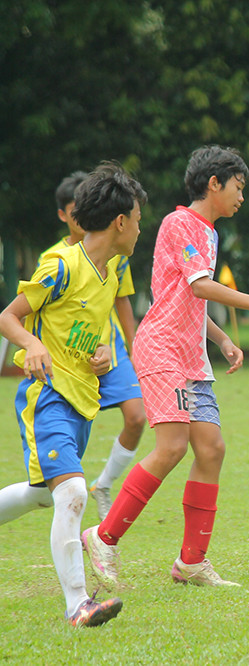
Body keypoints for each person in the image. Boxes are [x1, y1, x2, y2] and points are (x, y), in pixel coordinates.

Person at [82, 145, 249, 588]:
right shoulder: (180, 222)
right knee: (172, 447)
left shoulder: (209, 232)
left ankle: (191, 562)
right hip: (163, 349)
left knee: (212, 449)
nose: (242, 197)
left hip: (192, 357)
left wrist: (222, 341)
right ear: (214, 183)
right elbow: (200, 286)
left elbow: (187, 297)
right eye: (238, 188)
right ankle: (103, 537)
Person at [0, 163, 145, 626]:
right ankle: (78, 604)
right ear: (120, 222)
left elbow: (90, 330)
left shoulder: (109, 272)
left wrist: (103, 354)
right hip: (48, 397)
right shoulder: (61, 265)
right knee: (75, 492)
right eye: (138, 219)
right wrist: (33, 344)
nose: (141, 228)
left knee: (46, 495)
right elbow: (9, 317)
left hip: (82, 399)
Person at [46, 171, 148, 520]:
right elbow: (23, 316)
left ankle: (102, 483)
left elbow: (119, 301)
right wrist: (32, 347)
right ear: (64, 214)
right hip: (66, 362)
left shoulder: (116, 257)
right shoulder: (58, 262)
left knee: (137, 417)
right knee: (49, 490)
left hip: (108, 347)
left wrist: (132, 347)